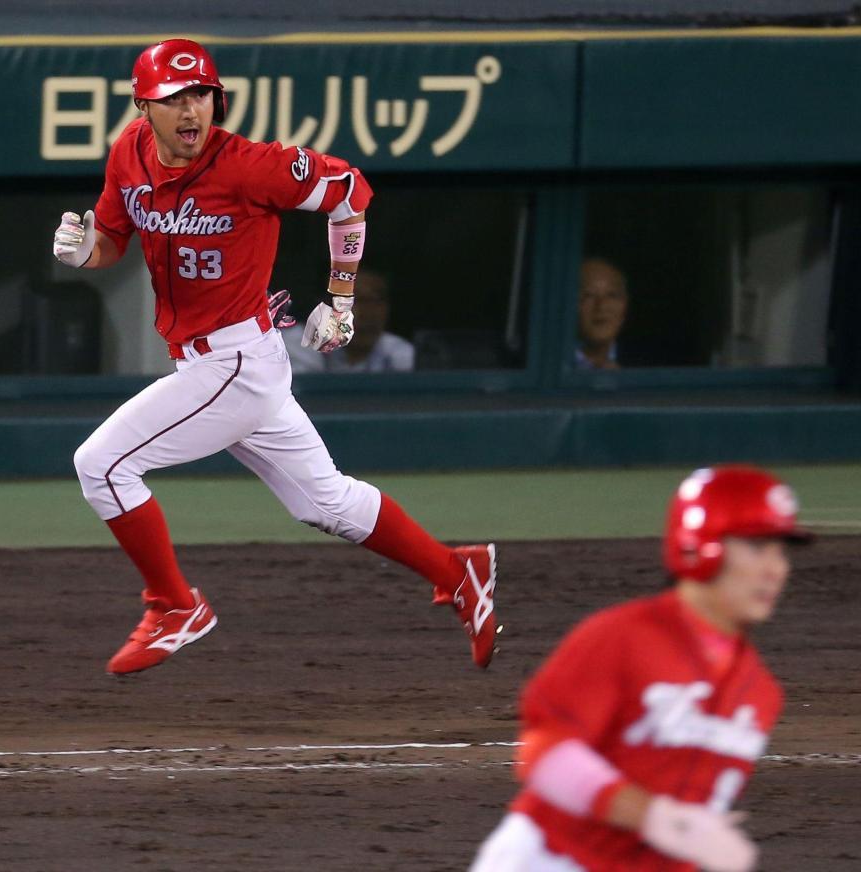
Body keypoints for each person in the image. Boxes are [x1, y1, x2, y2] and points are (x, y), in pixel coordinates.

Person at [52, 39, 497, 676]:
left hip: (233, 365)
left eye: (200, 93)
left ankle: (175, 606)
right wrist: (80, 252)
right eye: (172, 98)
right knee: (327, 504)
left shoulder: (251, 166)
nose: (190, 109)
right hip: (214, 362)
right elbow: (111, 239)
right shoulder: (129, 152)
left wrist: (340, 295)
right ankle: (458, 573)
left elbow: (351, 190)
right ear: (142, 106)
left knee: (100, 465)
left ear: (217, 99)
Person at [470, 465, 811, 872]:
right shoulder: (622, 637)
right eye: (758, 548)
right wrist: (655, 818)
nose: (777, 570)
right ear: (702, 545)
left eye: (781, 551)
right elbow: (545, 755)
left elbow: (686, 829)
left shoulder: (760, 694)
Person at [284, 269, 415, 373]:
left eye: (376, 300)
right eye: (355, 300)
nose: (368, 311)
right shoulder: (294, 345)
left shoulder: (401, 353)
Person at [576, 257, 628, 370]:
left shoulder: (642, 365)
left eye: (612, 295)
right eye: (588, 295)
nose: (601, 306)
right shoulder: (552, 366)